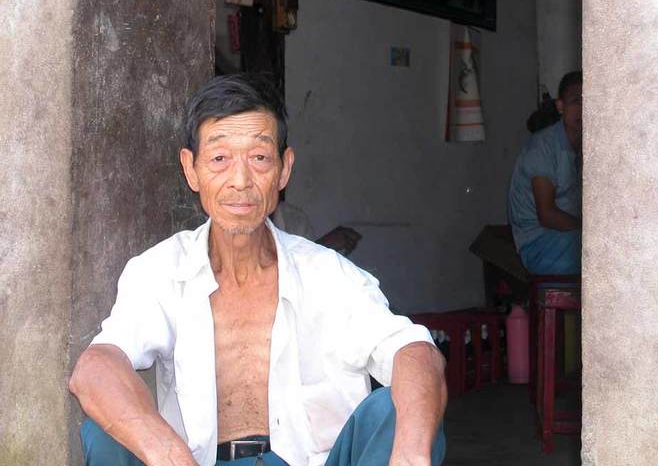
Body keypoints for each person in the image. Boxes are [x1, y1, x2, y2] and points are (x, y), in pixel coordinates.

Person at [69, 74, 447, 466]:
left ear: (284, 169)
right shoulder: (161, 271)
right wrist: (167, 453)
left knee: (400, 407)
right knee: (106, 430)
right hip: (197, 462)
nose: (240, 181)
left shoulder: (328, 275)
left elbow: (415, 352)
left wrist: (410, 454)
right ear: (191, 169)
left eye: (259, 158)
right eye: (219, 159)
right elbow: (95, 368)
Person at [508, 71, 582, 275]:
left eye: (589, 101)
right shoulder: (543, 146)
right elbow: (547, 215)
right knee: (607, 251)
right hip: (539, 244)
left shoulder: (589, 146)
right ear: (560, 106)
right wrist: (589, 228)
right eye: (576, 101)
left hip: (569, 236)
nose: (583, 109)